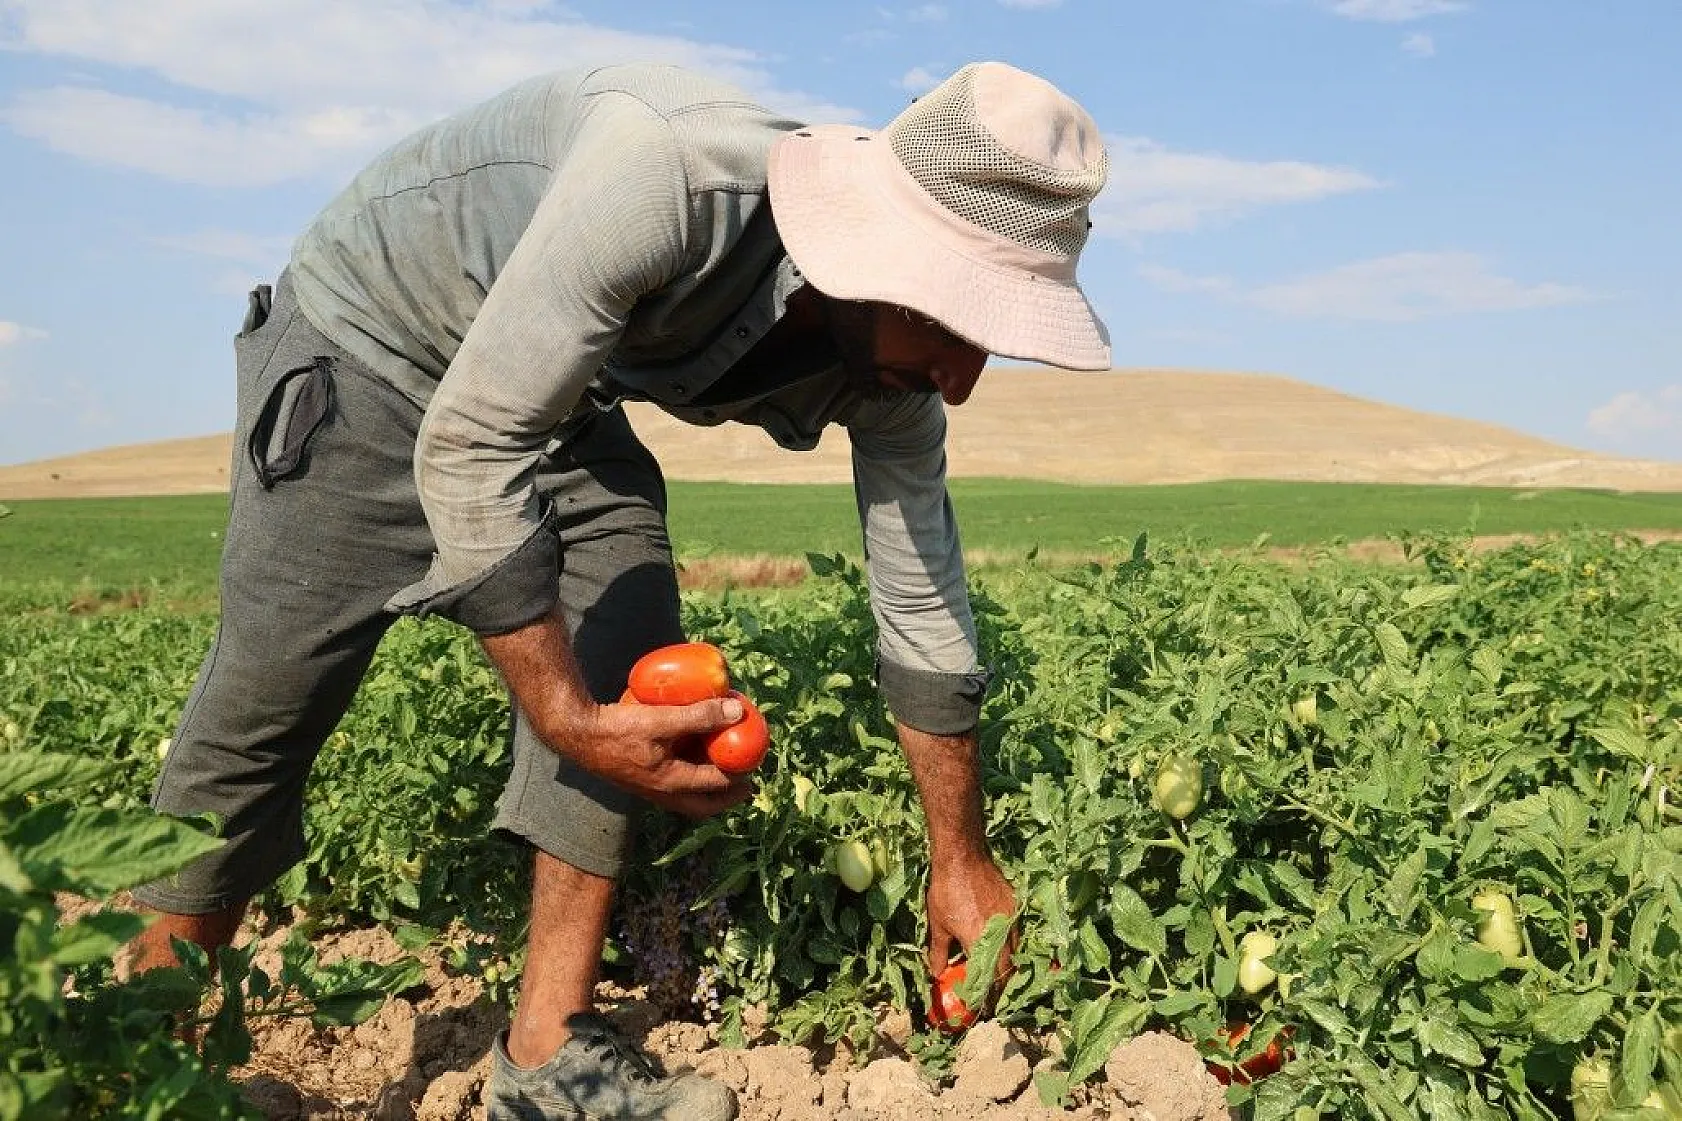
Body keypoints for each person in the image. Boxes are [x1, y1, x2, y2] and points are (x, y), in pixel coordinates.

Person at [127, 59, 1110, 1121]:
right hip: (374, 340)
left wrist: (957, 856)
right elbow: (467, 446)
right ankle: (135, 1056)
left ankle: (546, 1056)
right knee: (269, 703)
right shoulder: (668, 182)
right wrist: (560, 713)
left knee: (624, 635)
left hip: (548, 392)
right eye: (955, 322)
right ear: (872, 258)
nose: (962, 377)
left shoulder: (890, 373)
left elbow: (921, 598)